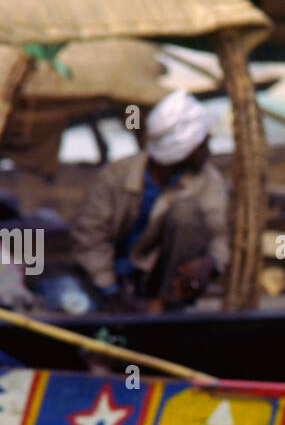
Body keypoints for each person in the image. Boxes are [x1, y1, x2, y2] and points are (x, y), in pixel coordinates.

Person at [70, 89, 229, 311]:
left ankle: (166, 306)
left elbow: (219, 236)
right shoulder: (115, 176)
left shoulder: (208, 180)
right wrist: (111, 292)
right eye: (202, 144)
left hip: (161, 280)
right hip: (113, 280)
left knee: (186, 212)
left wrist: (210, 262)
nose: (208, 150)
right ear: (185, 148)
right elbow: (90, 237)